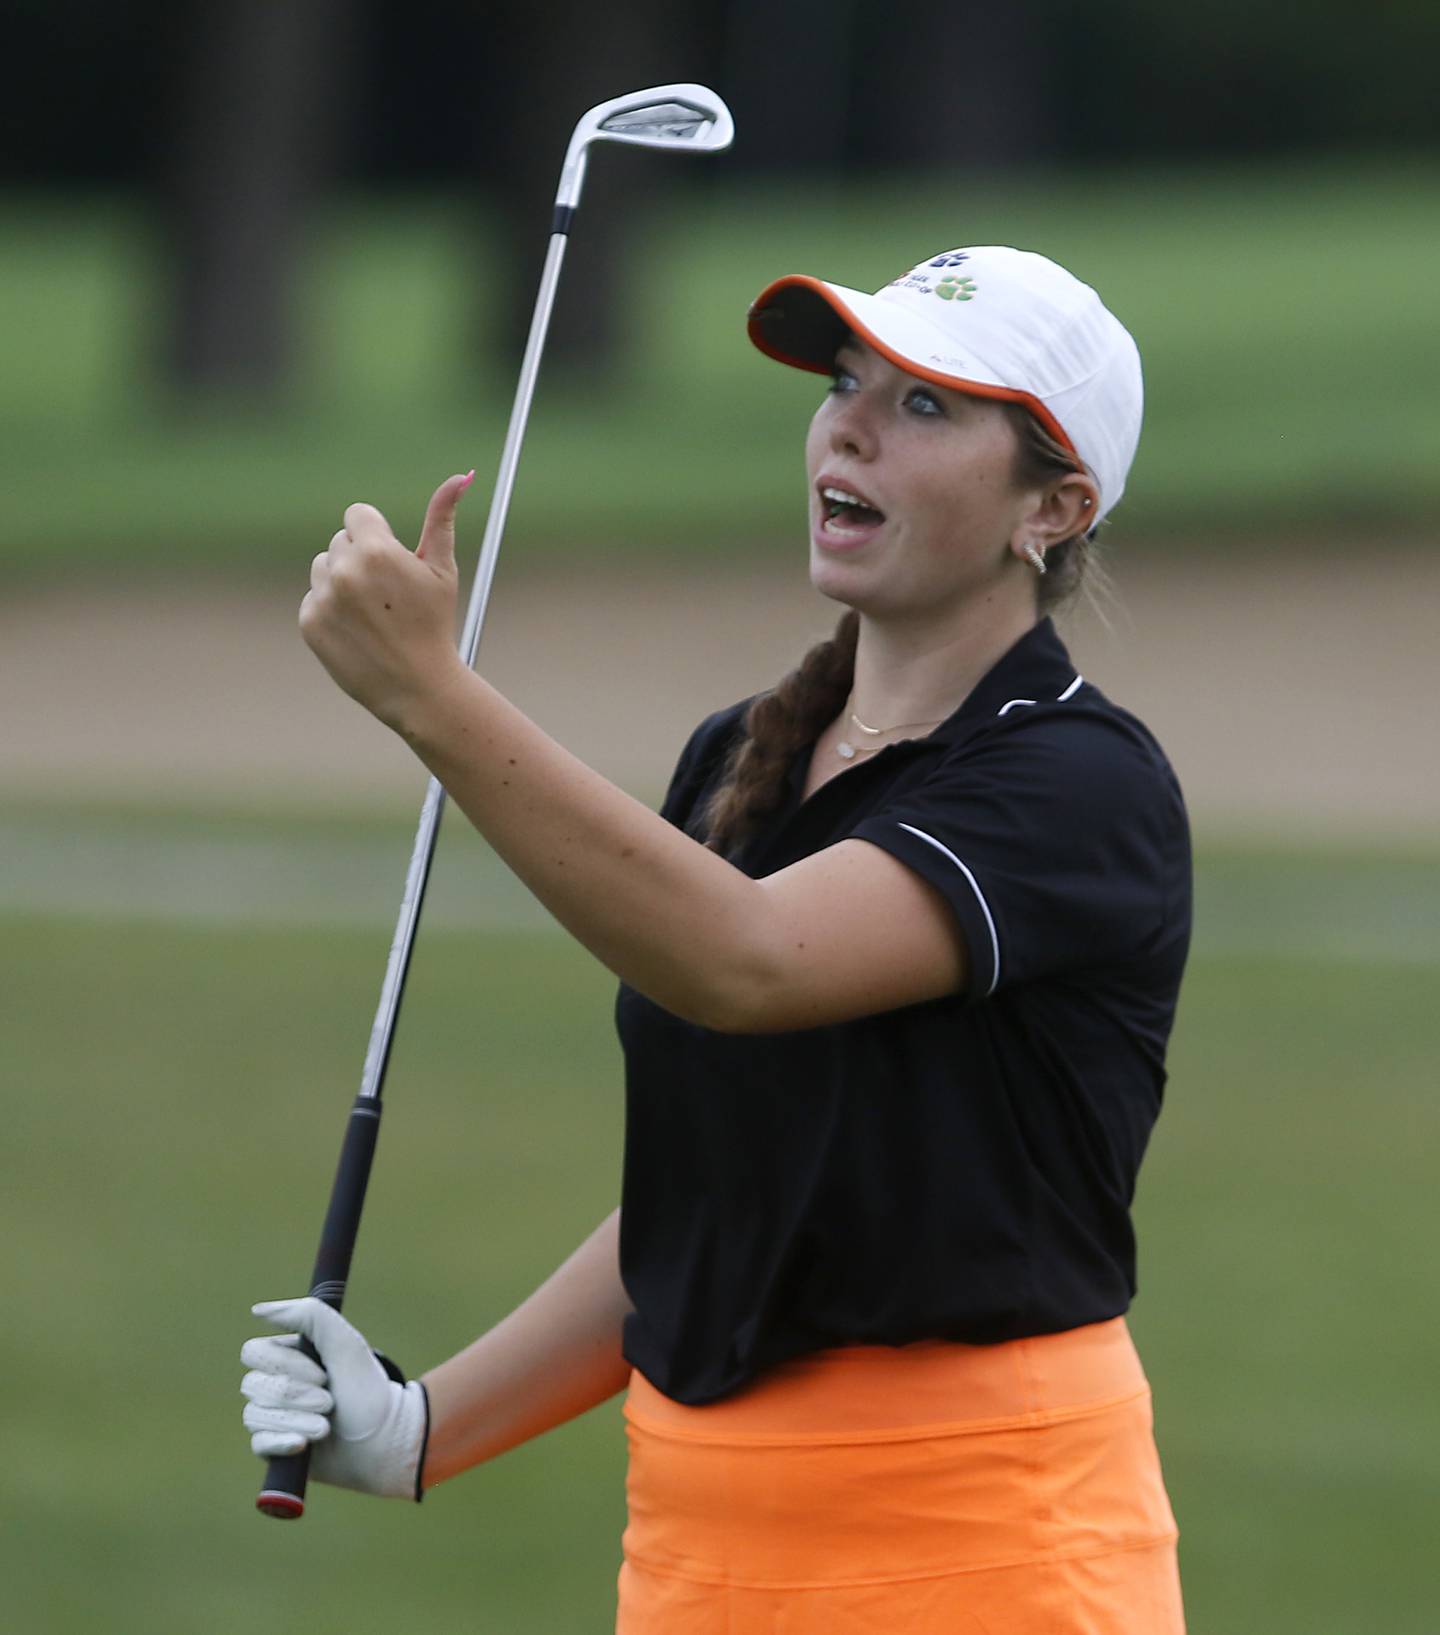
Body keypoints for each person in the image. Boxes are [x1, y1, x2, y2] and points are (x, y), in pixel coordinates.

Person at [241, 244, 1191, 1633]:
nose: (851, 424)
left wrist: (435, 702)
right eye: (846, 384)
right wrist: (421, 1424)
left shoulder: (1079, 782)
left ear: (1053, 506)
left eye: (927, 406)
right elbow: (716, 1201)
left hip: (987, 1554)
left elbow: (745, 963)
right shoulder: (742, 755)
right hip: (699, 1559)